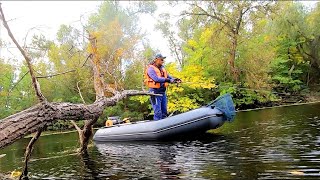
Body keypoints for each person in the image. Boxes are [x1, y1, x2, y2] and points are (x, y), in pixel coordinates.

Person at [144, 54, 182, 120]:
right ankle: (158, 125)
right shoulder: (150, 69)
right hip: (154, 93)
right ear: (156, 60)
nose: (163, 61)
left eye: (163, 60)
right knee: (158, 112)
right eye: (161, 59)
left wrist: (175, 79)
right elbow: (156, 79)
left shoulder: (162, 68)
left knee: (164, 111)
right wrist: (168, 80)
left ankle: (165, 126)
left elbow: (168, 76)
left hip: (162, 92)